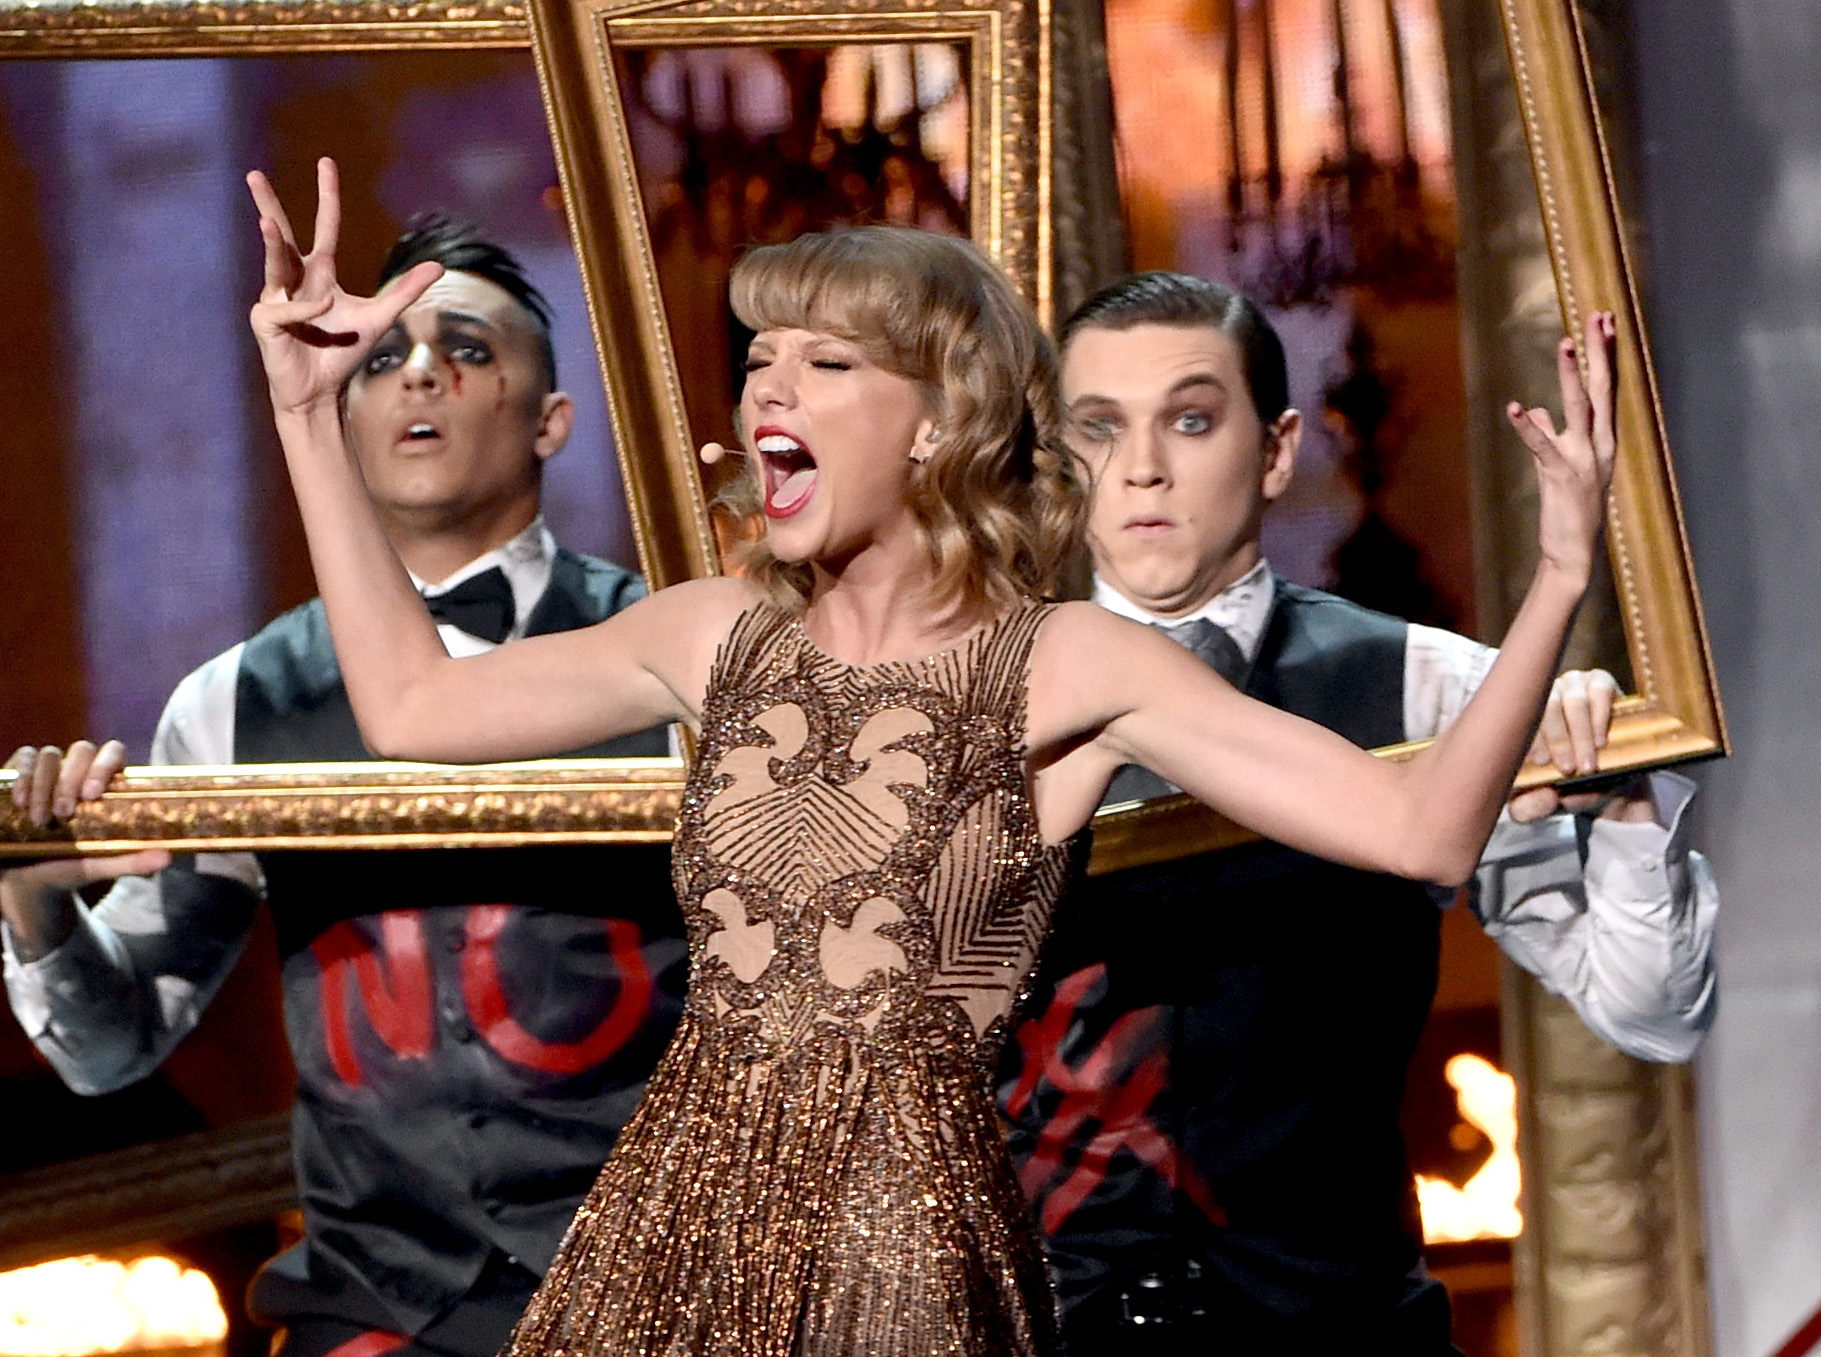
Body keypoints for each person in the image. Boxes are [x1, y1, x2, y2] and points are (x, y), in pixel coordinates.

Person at [234, 159, 1618, 1357]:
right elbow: (409, 705)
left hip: (896, 1258)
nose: (770, 385)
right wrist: (304, 413)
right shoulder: (712, 633)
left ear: (941, 418)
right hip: (667, 1229)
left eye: (825, 364)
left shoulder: (1064, 662)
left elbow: (1422, 829)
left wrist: (1558, 576)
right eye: (761, 360)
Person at [0, 216, 685, 1357]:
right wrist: (34, 898)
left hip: (669, 1291)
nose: (418, 372)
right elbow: (110, 1048)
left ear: (551, 421)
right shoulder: (235, 699)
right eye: (380, 357)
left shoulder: (677, 661)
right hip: (375, 1306)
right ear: (342, 414)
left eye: (468, 349)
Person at [996, 270, 1717, 1355]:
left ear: (1276, 449)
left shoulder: (1427, 688)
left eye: (1189, 421)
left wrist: (1616, 792)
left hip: (1343, 1328)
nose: (1141, 466)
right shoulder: (983, 709)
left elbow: (1650, 1010)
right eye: (1100, 427)